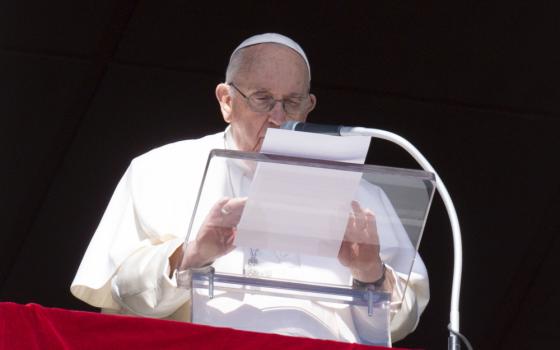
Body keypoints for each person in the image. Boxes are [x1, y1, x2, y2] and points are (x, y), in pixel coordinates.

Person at [71, 33, 429, 344]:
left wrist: (370, 275)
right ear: (227, 101)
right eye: (262, 99)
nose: (277, 118)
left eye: (291, 103)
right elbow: (121, 294)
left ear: (309, 107)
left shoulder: (362, 197)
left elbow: (401, 322)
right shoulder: (159, 171)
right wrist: (191, 256)